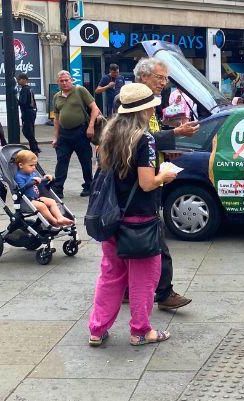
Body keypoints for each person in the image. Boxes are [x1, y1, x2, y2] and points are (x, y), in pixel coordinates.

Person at [88, 83, 177, 347]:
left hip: (112, 216)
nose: (154, 109)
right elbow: (147, 182)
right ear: (145, 109)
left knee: (110, 275)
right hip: (140, 217)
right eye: (152, 105)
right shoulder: (144, 138)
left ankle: (97, 328)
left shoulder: (110, 133)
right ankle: (141, 330)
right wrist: (166, 175)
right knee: (143, 279)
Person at [129, 57, 199, 311]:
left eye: (165, 77)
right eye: (160, 77)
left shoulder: (150, 103)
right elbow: (139, 138)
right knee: (155, 239)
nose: (164, 82)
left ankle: (129, 288)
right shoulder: (130, 101)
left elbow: (149, 140)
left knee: (136, 239)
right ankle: (163, 292)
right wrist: (176, 134)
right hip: (140, 184)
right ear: (144, 77)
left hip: (149, 177)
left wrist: (167, 150)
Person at [51, 71, 100, 198]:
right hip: (64, 134)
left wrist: (90, 127)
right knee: (61, 161)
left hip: (80, 131)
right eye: (61, 81)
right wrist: (55, 137)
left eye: (67, 80)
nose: (64, 83)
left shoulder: (80, 90)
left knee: (85, 160)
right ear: (58, 82)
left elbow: (95, 109)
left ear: (71, 80)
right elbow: (56, 118)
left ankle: (89, 185)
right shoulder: (57, 96)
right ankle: (58, 188)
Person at [14, 150, 73, 227]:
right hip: (27, 201)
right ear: (21, 165)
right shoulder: (19, 176)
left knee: (52, 201)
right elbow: (23, 188)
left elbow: (40, 184)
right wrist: (32, 181)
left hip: (36, 198)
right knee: (42, 206)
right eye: (31, 165)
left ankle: (60, 217)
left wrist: (45, 179)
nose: (34, 168)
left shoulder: (32, 174)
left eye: (35, 165)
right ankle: (53, 221)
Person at [17, 73, 41, 154]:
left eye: (19, 79)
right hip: (32, 112)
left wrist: (16, 100)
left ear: (24, 80)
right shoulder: (29, 89)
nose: (18, 81)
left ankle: (34, 147)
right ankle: (34, 147)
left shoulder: (24, 89)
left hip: (27, 112)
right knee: (30, 130)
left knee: (26, 131)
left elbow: (22, 102)